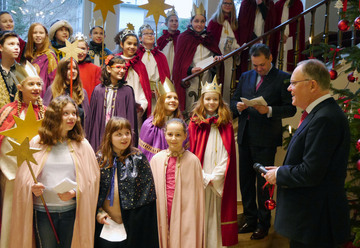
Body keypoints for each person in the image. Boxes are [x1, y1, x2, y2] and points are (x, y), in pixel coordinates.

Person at [263, 59, 350, 248]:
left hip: (316, 221)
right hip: (310, 220)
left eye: (294, 83)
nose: (289, 88)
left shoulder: (325, 118)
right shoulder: (319, 114)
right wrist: (281, 170)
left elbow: (312, 172)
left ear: (312, 85)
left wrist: (279, 174)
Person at [10, 95, 100, 248]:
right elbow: (23, 179)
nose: (71, 117)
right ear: (54, 115)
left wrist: (75, 192)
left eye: (74, 113)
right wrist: (31, 188)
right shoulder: (37, 142)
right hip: (43, 212)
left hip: (71, 212)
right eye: (66, 113)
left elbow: (93, 179)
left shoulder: (82, 145)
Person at [230, 43, 296, 239]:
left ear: (270, 59)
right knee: (246, 180)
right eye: (255, 65)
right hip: (245, 135)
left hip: (266, 138)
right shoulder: (245, 76)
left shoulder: (283, 78)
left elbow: (290, 108)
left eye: (262, 65)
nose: (258, 69)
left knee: (264, 183)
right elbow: (233, 100)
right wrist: (238, 107)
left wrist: (268, 110)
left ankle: (263, 222)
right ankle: (249, 218)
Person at [188, 77, 238, 247]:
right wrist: (202, 175)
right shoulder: (195, 123)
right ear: (202, 100)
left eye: (215, 99)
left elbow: (228, 154)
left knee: (217, 211)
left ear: (220, 101)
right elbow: (191, 152)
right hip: (200, 174)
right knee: (201, 210)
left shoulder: (226, 124)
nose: (211, 102)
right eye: (208, 99)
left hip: (218, 177)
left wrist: (216, 176)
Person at [95, 117, 159, 248]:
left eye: (127, 133)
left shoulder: (138, 158)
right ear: (109, 136)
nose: (124, 137)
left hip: (132, 224)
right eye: (118, 134)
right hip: (105, 224)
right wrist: (98, 211)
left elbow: (148, 196)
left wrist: (135, 221)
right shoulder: (99, 160)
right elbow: (92, 192)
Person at [0, 62, 45, 248]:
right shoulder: (7, 111)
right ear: (20, 87)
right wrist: (18, 173)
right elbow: (4, 144)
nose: (36, 88)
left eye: (39, 84)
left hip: (42, 176)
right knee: (14, 217)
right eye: (31, 84)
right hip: (14, 176)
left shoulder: (47, 113)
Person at [150, 118, 204, 248]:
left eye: (178, 135)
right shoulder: (156, 159)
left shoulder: (193, 161)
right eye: (170, 134)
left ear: (185, 136)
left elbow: (197, 196)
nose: (174, 138)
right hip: (163, 208)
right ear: (165, 134)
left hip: (186, 211)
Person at [172, 3, 222, 113]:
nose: (199, 24)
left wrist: (216, 58)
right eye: (196, 21)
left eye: (202, 21)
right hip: (192, 78)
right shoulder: (184, 37)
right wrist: (190, 70)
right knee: (192, 105)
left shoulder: (209, 37)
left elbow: (215, 53)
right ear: (191, 22)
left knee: (206, 103)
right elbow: (179, 63)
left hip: (207, 76)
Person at [87, 55, 138, 152]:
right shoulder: (98, 90)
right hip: (101, 132)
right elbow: (92, 119)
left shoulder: (128, 91)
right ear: (109, 69)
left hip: (119, 135)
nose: (122, 71)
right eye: (118, 67)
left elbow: (131, 119)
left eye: (124, 68)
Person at [138, 77, 184, 162]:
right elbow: (144, 156)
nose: (173, 100)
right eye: (169, 97)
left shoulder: (182, 125)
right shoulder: (149, 125)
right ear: (161, 101)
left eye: (175, 98)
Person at [115, 25, 152, 124]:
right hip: (117, 107)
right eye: (129, 43)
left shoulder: (140, 65)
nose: (132, 47)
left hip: (136, 109)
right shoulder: (114, 62)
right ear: (122, 44)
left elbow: (144, 89)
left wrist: (142, 105)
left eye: (135, 44)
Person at [43, 58, 90, 130]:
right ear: (61, 71)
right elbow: (46, 115)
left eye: (75, 68)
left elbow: (87, 119)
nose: (73, 71)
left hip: (77, 134)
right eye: (68, 69)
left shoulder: (81, 92)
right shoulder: (52, 90)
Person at [207, 0, 240, 103]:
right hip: (218, 58)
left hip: (230, 58)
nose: (227, 5)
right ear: (221, 5)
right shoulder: (214, 22)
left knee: (228, 82)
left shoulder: (235, 22)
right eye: (225, 3)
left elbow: (238, 39)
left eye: (230, 3)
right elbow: (209, 41)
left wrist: (237, 48)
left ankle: (227, 106)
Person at [237, 0, 276, 74]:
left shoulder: (269, 3)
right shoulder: (246, 3)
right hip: (251, 41)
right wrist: (254, 39)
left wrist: (260, 4)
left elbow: (270, 21)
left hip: (264, 39)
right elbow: (243, 25)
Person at [137, 24, 170, 109]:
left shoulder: (160, 56)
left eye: (152, 33)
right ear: (140, 38)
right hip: (140, 90)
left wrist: (160, 90)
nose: (150, 35)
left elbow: (165, 76)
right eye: (146, 33)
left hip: (156, 92)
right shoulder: (137, 55)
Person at [24, 23, 58, 97]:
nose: (38, 35)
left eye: (41, 33)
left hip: (44, 98)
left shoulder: (50, 55)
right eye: (35, 33)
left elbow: (54, 81)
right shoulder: (30, 55)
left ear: (46, 35)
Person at [272, 0, 305, 72]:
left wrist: (286, 34)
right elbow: (275, 21)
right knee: (279, 59)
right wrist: (280, 34)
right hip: (279, 36)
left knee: (288, 59)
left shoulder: (297, 3)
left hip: (291, 37)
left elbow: (295, 23)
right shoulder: (278, 4)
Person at [71, 32, 101, 101]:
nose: (80, 52)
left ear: (87, 49)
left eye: (83, 49)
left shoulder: (96, 69)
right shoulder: (65, 68)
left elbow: (98, 93)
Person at [157, 7, 180, 77]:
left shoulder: (181, 38)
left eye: (176, 21)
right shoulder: (162, 40)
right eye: (171, 21)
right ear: (166, 24)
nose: (174, 23)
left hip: (177, 69)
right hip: (164, 68)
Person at [0, 31, 20, 109]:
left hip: (20, 118)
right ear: (1, 47)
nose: (16, 47)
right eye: (11, 44)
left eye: (17, 44)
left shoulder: (25, 72)